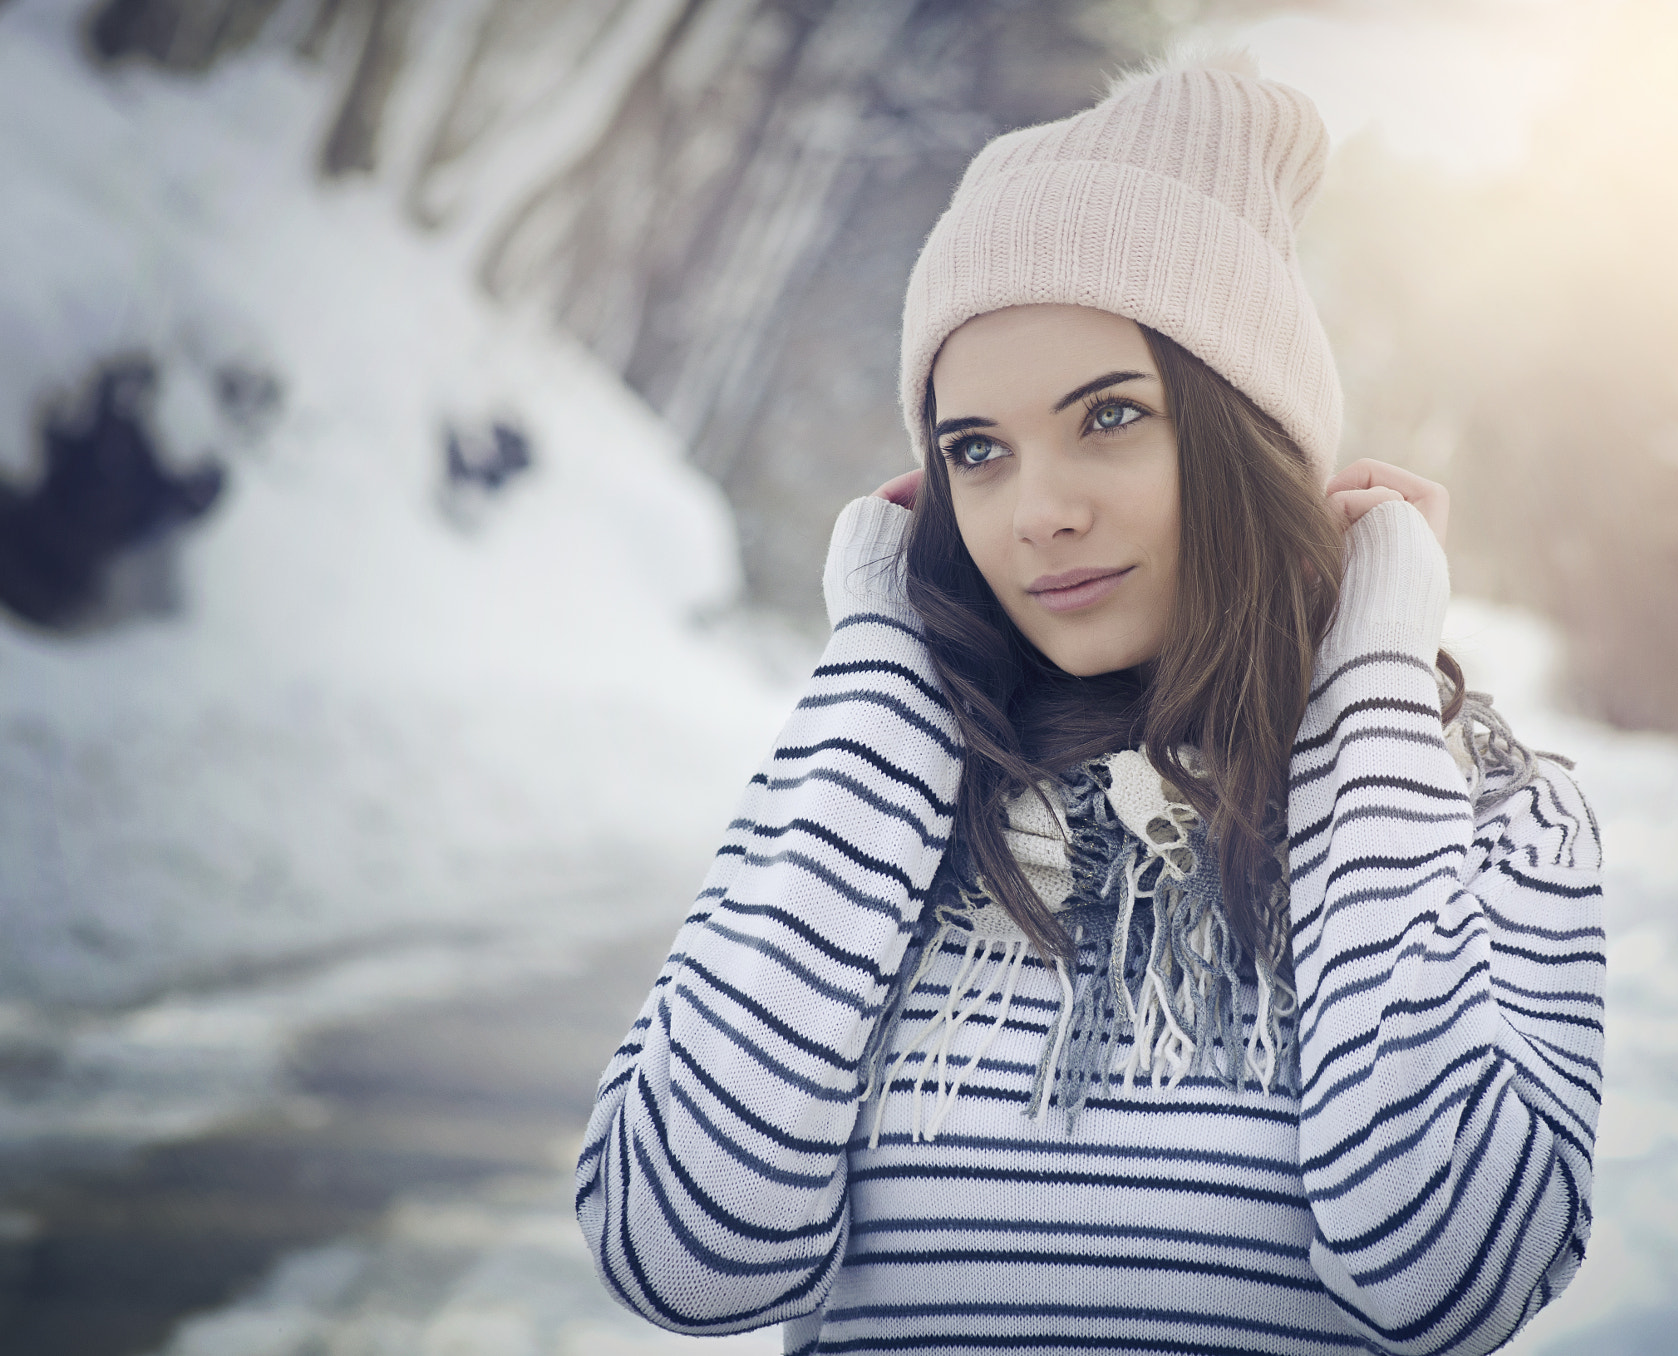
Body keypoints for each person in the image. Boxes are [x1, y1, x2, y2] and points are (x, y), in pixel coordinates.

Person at [577, 52, 1604, 1356]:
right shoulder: (882, 797)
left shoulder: (1486, 815)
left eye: (1110, 416)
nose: (1037, 512)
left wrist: (1371, 686)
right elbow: (680, 1251)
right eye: (977, 452)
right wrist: (888, 677)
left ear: (1250, 439)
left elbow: (1445, 1276)